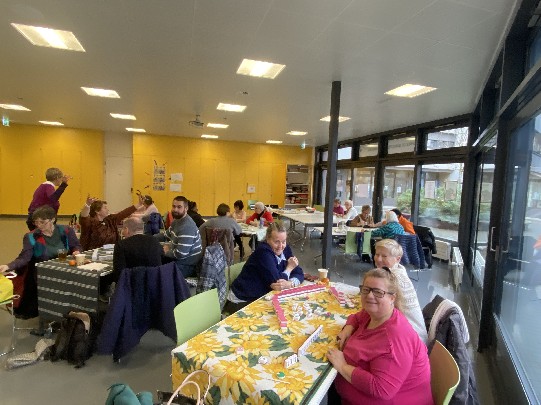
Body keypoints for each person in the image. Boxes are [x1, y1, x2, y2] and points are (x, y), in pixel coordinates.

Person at [327, 268, 432, 405]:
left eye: (378, 292)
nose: (370, 296)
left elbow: (382, 389)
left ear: (392, 298)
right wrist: (348, 328)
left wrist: (343, 366)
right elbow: (357, 317)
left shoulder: (394, 338)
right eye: (366, 290)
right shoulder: (377, 314)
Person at [0, 205, 82, 318]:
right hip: (45, 274)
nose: (39, 225)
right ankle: (56, 315)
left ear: (53, 219)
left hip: (66, 269)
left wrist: (76, 251)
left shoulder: (66, 230)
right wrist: (8, 266)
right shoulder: (31, 236)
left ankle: (71, 313)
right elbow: (24, 258)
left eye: (42, 222)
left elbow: (76, 245)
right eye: (36, 222)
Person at [224, 222, 304, 313]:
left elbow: (299, 272)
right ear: (267, 239)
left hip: (261, 296)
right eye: (276, 242)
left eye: (283, 241)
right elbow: (278, 283)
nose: (281, 246)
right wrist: (289, 268)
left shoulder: (285, 249)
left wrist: (290, 283)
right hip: (241, 302)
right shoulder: (263, 252)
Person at [374, 239, 428, 342]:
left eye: (384, 256)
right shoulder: (399, 269)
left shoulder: (392, 277)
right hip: (410, 330)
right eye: (377, 254)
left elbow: (382, 311)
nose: (379, 259)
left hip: (410, 337)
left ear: (398, 259)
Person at [79, 194, 144, 251]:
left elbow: (123, 213)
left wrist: (139, 204)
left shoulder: (110, 220)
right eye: (105, 208)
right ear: (97, 211)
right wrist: (87, 205)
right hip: (93, 255)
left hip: (111, 252)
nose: (108, 210)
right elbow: (84, 216)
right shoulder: (90, 223)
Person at [158, 195, 203, 278]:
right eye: (174, 206)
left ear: (186, 208)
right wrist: (149, 238)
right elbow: (165, 235)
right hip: (178, 258)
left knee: (159, 276)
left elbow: (181, 254)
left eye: (179, 207)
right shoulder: (176, 221)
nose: (175, 209)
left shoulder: (187, 227)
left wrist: (166, 251)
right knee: (154, 261)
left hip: (187, 264)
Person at [112, 216, 163, 282]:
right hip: (155, 283)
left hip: (133, 284)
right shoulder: (155, 241)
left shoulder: (121, 245)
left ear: (127, 230)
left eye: (123, 229)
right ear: (142, 228)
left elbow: (119, 274)